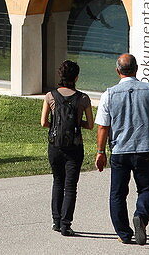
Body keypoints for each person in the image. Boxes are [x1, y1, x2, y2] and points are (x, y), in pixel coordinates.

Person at [95, 54, 149, 246]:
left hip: (120, 150)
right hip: (144, 149)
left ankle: (123, 232)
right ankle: (141, 216)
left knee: (118, 193)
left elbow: (103, 126)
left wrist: (101, 151)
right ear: (137, 69)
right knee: (147, 189)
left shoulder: (109, 94)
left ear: (117, 71)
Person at [41, 59, 94, 237]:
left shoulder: (50, 96)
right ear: (76, 77)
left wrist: (57, 126)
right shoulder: (83, 98)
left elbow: (43, 123)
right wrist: (77, 122)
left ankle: (56, 221)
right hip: (75, 146)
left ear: (60, 75)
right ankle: (66, 224)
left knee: (57, 181)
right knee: (70, 186)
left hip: (55, 146)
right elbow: (90, 125)